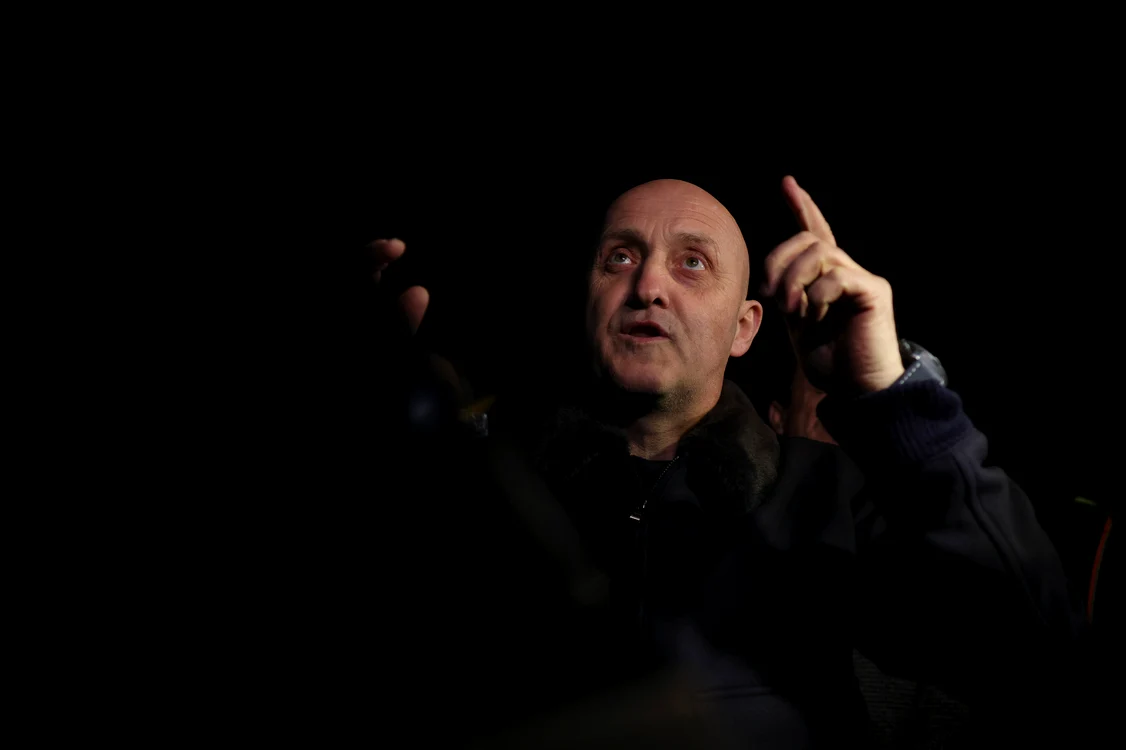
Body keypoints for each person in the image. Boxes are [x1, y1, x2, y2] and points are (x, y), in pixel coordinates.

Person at [367, 176, 1088, 748]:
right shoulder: (496, 490)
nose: (648, 286)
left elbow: (1034, 645)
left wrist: (894, 401)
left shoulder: (832, 497)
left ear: (745, 329)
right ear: (586, 301)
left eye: (692, 262)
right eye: (620, 257)